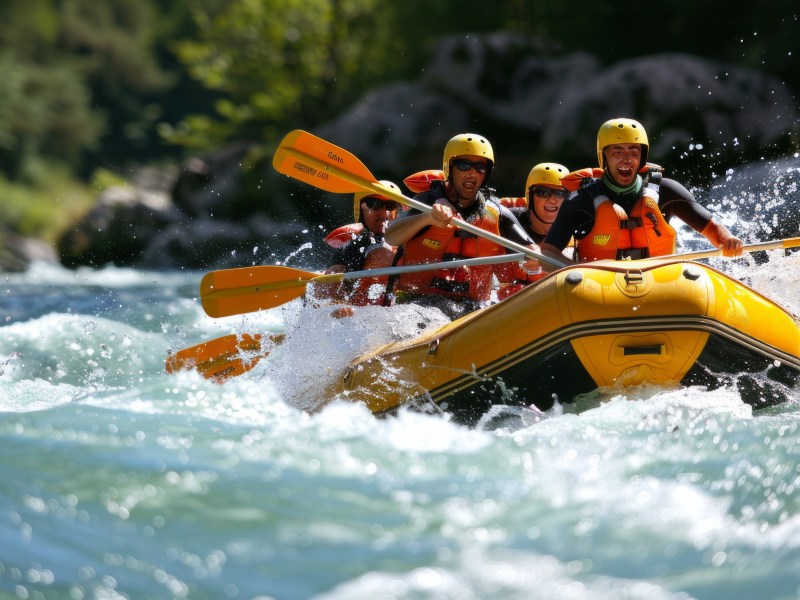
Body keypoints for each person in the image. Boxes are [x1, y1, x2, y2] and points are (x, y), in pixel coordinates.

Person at [540, 118, 743, 267]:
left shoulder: (667, 191)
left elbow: (713, 230)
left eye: (633, 152)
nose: (626, 159)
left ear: (642, 157)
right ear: (604, 156)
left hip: (659, 282)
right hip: (599, 286)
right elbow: (548, 252)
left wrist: (727, 240)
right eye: (618, 151)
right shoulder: (580, 200)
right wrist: (573, 269)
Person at [384, 133, 539, 319]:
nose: (472, 173)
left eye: (480, 167)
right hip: (416, 302)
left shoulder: (496, 214)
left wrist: (534, 256)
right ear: (448, 168)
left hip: (473, 308)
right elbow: (391, 237)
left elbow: (532, 249)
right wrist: (428, 218)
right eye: (464, 165)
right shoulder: (426, 201)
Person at [315, 181, 401, 310]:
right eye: (375, 205)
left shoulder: (405, 238)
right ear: (360, 209)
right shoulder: (352, 242)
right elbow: (327, 293)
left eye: (390, 206)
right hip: (358, 309)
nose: (384, 213)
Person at [496, 162, 569, 299]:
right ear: (530, 196)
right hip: (506, 301)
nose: (553, 200)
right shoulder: (505, 218)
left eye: (560, 193)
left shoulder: (575, 229)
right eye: (543, 192)